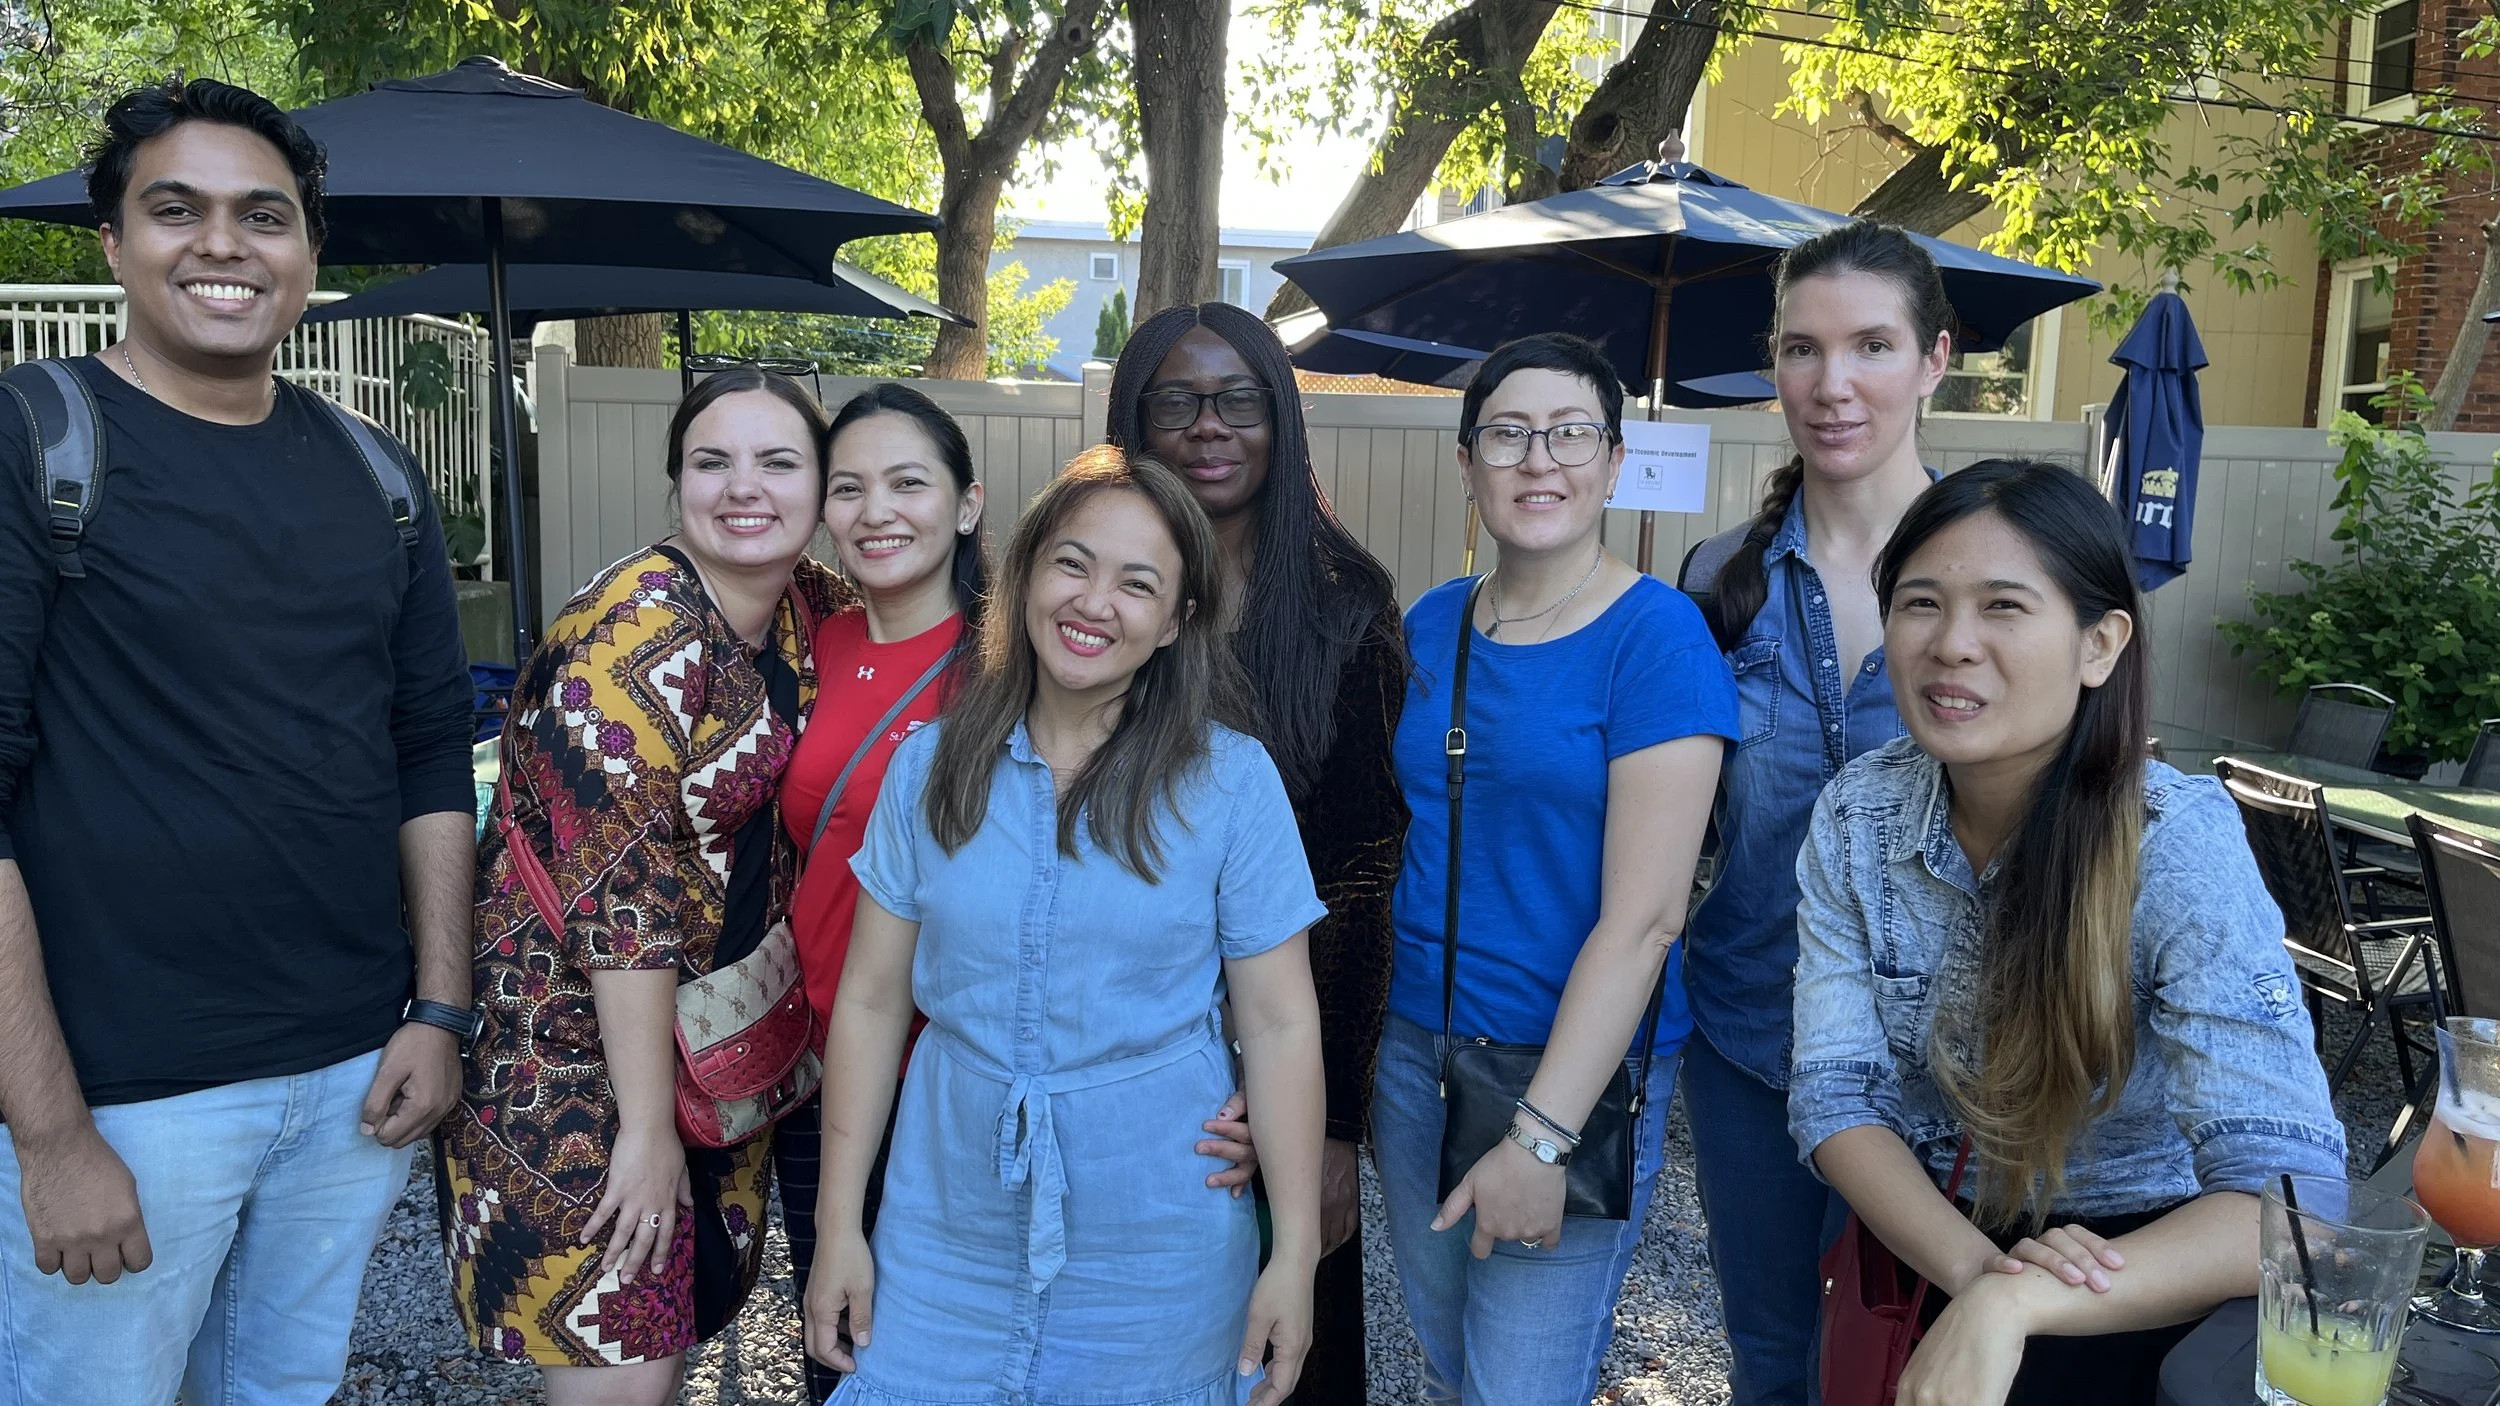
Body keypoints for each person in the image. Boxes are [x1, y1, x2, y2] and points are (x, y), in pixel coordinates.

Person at [0, 79, 476, 1403]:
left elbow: (432, 745)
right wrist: (48, 1134)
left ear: (308, 253)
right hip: (126, 1100)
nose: (223, 243)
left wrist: (439, 1007)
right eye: (176, 209)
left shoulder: (379, 476)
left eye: (262, 215)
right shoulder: (34, 441)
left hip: (351, 1082)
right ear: (114, 242)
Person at [1789, 459, 2347, 1406]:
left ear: (2100, 645)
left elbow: (2292, 1201)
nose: (1953, 644)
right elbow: (1834, 1097)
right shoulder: (1861, 811)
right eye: (1921, 602)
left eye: (2005, 606)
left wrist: (2022, 1307)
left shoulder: (2174, 842)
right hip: (1930, 1249)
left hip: (2140, 1278)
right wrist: (1983, 1283)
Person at [804, 446, 1329, 1406]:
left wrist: (1292, 1255)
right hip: (944, 1226)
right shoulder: (930, 768)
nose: (1095, 603)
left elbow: (1284, 1022)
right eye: (1074, 563)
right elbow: (875, 1004)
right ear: (1029, 572)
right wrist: (842, 1222)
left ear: (1180, 621)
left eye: (1140, 584)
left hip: (1158, 1238)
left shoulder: (1232, 782)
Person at [440, 367, 850, 1403]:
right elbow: (619, 905)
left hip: (713, 1043)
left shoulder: (806, 605)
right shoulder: (624, 636)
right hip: (575, 1067)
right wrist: (644, 1127)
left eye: (778, 461)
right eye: (712, 462)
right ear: (676, 484)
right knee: (622, 1364)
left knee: (682, 1325)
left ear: (822, 485)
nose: (743, 488)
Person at [1372, 333, 1736, 1406]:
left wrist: (1541, 1133)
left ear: (1613, 463)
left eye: (1570, 432)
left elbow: (1648, 917)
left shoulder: (1657, 639)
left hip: (1566, 1068)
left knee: (1520, 1384)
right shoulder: (1431, 623)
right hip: (1413, 1051)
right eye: (1508, 433)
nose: (1539, 459)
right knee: (1445, 1360)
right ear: (1466, 463)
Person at [1674, 219, 1953, 1406]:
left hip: (1954, 1064)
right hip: (1750, 1045)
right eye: (1802, 350)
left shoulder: (2007, 573)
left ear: (1935, 360)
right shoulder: (1714, 580)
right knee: (1775, 1361)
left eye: (1871, 345)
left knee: (1931, 1360)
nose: (1832, 385)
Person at [1107, 302, 1408, 1403]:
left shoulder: (1345, 610)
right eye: (1175, 401)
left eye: (1238, 399)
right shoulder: (1095, 600)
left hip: (1279, 1065)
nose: (1208, 426)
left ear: (1280, 419)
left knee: (1283, 1359)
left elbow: (1367, 884)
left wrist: (1332, 1131)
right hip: (1118, 1055)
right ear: (1132, 423)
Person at [775, 382, 987, 1404]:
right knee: (841, 1341)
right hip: (817, 1064)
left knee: (963, 1352)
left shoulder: (1011, 671)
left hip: (953, 1073)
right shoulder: (807, 647)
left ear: (967, 505)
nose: (877, 511)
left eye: (908, 483)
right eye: (849, 488)